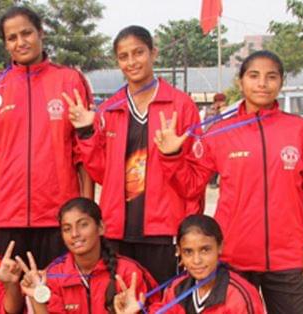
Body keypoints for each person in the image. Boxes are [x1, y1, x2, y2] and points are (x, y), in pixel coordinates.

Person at [155, 50, 303, 314]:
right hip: (235, 258)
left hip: (290, 260)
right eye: (254, 76)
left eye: (271, 77)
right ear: (240, 82)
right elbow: (191, 185)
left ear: (281, 82)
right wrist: (172, 155)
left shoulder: (300, 130)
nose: (262, 83)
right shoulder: (219, 132)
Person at [67, 25, 202, 283]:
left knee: (164, 303)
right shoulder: (109, 109)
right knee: (121, 302)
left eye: (138, 53)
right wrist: (86, 132)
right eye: (123, 56)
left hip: (164, 230)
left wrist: (188, 230)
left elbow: (195, 179)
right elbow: (101, 173)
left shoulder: (181, 106)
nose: (132, 62)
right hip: (119, 231)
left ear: (153, 53)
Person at [0, 5, 94, 267]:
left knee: (57, 300)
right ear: (5, 44)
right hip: (5, 214)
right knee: (7, 301)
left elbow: (84, 153)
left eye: (27, 33)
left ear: (40, 33)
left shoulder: (69, 80)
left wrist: (86, 208)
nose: (20, 42)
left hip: (59, 216)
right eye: (12, 38)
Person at [16, 197, 157, 314]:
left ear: (101, 227)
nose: (75, 234)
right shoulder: (53, 275)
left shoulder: (129, 272)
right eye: (67, 229)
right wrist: (38, 297)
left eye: (83, 225)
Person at [113, 214, 266, 313]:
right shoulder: (176, 289)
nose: (197, 260)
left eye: (205, 250)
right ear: (178, 251)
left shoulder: (240, 295)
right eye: (188, 252)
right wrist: (137, 312)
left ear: (220, 247)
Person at [204, 93, 225, 189]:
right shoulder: (212, 112)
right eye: (223, 101)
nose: (224, 103)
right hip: (212, 139)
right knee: (213, 161)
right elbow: (211, 126)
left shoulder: (216, 112)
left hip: (217, 139)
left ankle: (212, 181)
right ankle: (211, 181)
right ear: (218, 101)